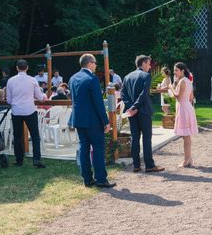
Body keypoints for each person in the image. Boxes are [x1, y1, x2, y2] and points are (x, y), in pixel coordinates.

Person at [68, 54, 114, 188]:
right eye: (94, 63)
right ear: (89, 63)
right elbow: (98, 103)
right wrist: (105, 121)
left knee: (84, 148)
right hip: (93, 121)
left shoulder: (73, 78)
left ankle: (87, 179)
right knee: (98, 148)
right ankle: (100, 179)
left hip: (78, 119)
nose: (95, 65)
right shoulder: (92, 79)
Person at [121, 55, 164, 173]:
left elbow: (122, 93)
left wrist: (131, 107)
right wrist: (135, 107)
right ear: (144, 63)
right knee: (146, 138)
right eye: (149, 63)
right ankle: (149, 165)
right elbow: (144, 94)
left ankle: (136, 165)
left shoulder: (127, 76)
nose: (150, 66)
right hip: (143, 111)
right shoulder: (146, 76)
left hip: (132, 113)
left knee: (135, 138)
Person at [6, 59, 46, 168]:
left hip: (16, 111)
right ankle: (36, 159)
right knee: (35, 136)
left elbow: (9, 100)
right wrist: (44, 96)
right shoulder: (32, 80)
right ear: (27, 68)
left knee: (17, 136)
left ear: (17, 68)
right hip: (29, 110)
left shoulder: (10, 81)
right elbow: (40, 97)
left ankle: (19, 160)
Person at [170, 62, 198, 167]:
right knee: (186, 136)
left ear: (182, 71)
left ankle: (187, 160)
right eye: (174, 70)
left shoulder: (182, 81)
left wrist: (171, 87)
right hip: (186, 107)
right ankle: (188, 159)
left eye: (176, 70)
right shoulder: (188, 81)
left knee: (186, 136)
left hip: (183, 108)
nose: (174, 72)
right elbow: (191, 97)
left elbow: (177, 96)